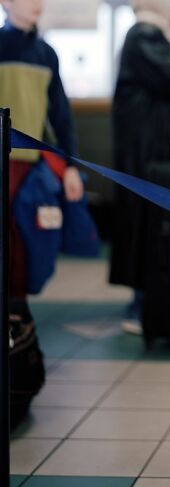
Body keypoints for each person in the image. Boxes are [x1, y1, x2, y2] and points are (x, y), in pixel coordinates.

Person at [109, 0, 170, 335]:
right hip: (147, 151)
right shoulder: (145, 34)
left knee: (151, 225)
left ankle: (148, 303)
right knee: (149, 226)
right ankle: (143, 307)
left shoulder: (149, 34)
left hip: (149, 149)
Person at [0, 0, 84, 298]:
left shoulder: (46, 54)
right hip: (3, 165)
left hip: (31, 168)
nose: (38, 3)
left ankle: (17, 320)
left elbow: (61, 115)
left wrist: (71, 166)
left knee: (28, 243)